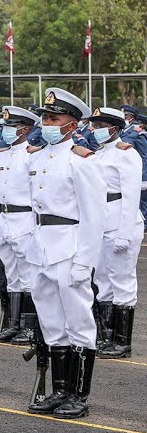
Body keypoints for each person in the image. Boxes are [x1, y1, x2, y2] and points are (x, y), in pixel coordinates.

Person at [26, 88, 104, 419]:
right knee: (52, 323)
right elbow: (34, 211)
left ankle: (78, 395)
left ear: (71, 125)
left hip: (70, 248)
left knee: (80, 324)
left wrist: (85, 262)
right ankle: (59, 390)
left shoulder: (82, 161)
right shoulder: (36, 158)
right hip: (42, 247)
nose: (46, 123)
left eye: (53, 118)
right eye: (45, 117)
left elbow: (93, 217)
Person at [88, 107, 141, 359]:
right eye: (95, 126)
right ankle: (106, 337)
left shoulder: (126, 154)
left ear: (115, 129)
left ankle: (122, 341)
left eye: (101, 126)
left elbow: (131, 197)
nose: (96, 131)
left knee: (123, 282)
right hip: (100, 224)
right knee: (103, 283)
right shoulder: (98, 154)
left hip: (120, 221)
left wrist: (124, 233)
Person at [0, 106, 41, 344]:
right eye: (5, 126)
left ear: (25, 129)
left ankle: (30, 327)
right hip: (5, 218)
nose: (6, 130)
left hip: (24, 219)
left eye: (12, 126)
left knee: (28, 274)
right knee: (12, 274)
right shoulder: (2, 154)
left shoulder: (33, 155)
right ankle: (14, 324)